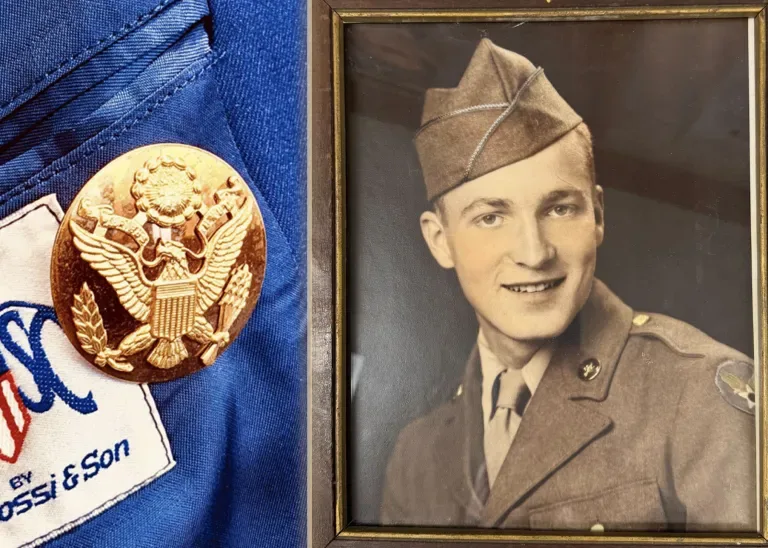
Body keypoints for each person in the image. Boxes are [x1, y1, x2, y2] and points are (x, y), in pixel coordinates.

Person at [380, 38, 756, 532]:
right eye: (491, 217)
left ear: (597, 215)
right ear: (439, 240)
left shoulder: (695, 394)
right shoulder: (417, 454)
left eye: (559, 208)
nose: (535, 254)